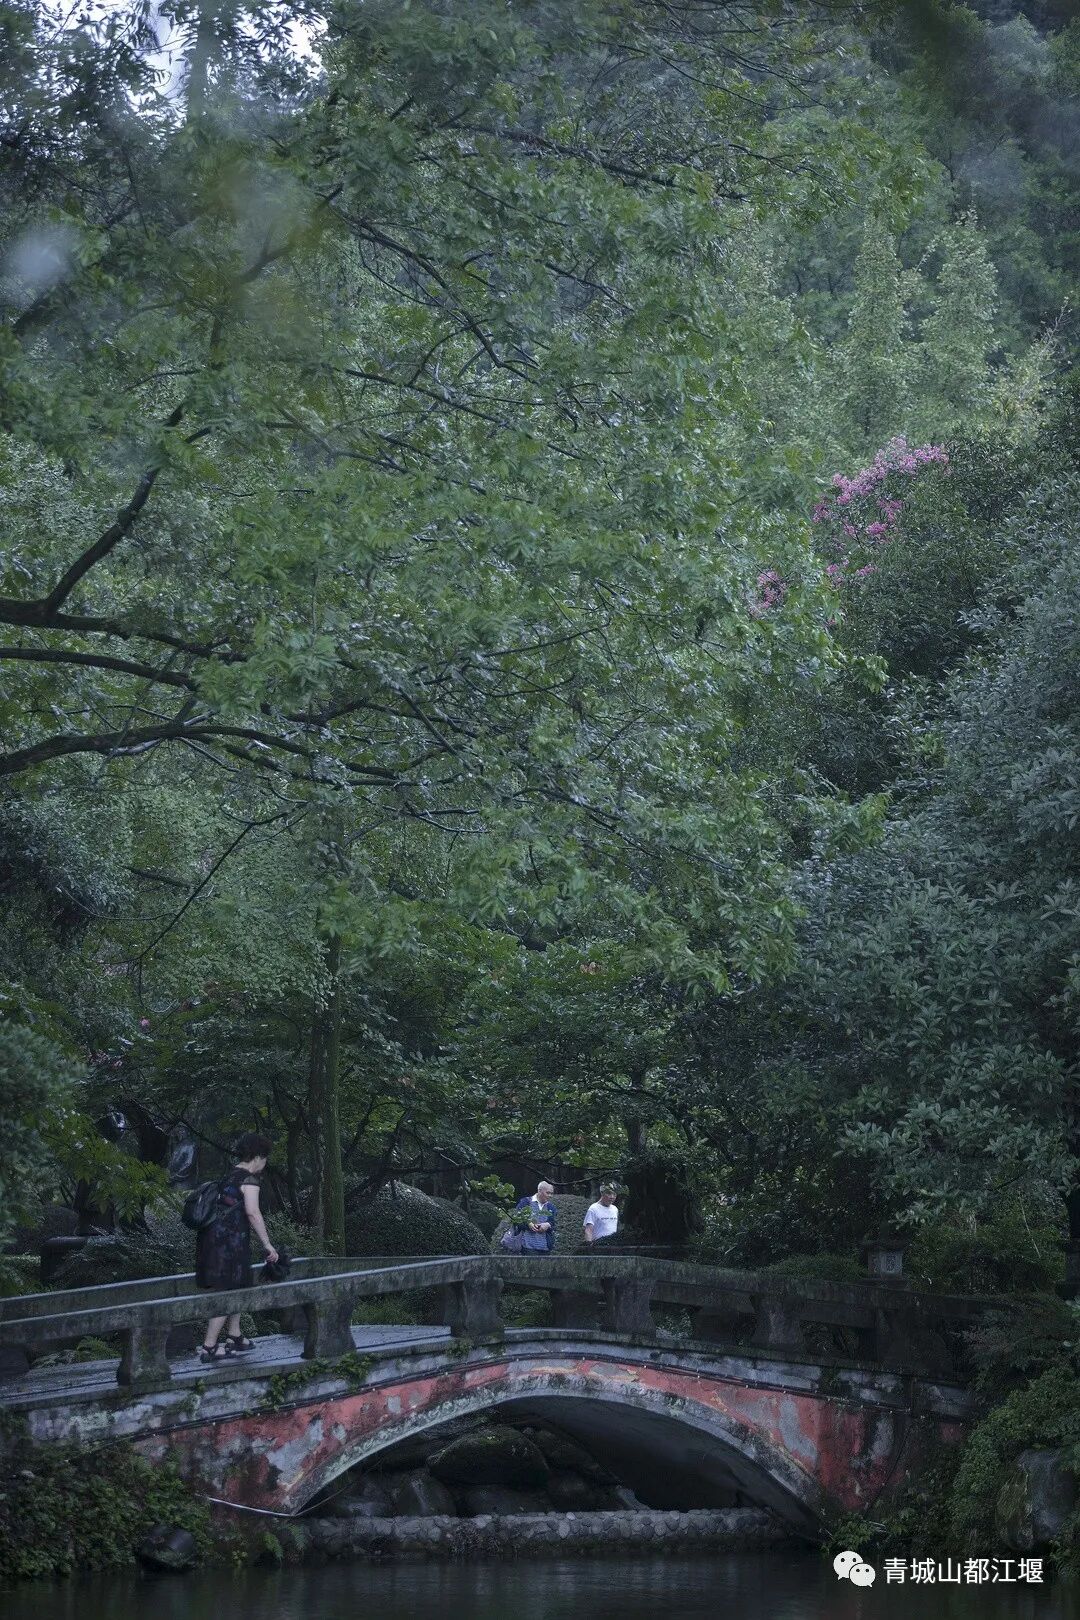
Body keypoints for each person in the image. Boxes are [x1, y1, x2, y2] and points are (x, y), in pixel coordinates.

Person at [197, 1132, 278, 1362]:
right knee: (227, 1290)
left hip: (216, 1240)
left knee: (237, 1286)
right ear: (258, 1156)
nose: (265, 1163)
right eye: (265, 1158)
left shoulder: (230, 1175)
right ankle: (209, 1347)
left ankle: (234, 1335)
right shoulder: (249, 1180)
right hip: (230, 1243)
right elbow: (253, 1212)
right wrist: (267, 1244)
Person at [513, 1181, 557, 1253]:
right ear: (539, 1191)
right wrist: (528, 1224)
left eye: (551, 1193)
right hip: (526, 1246)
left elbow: (554, 1223)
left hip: (545, 1247)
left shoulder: (551, 1207)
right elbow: (516, 1219)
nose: (550, 1195)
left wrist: (548, 1225)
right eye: (548, 1193)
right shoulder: (525, 1202)